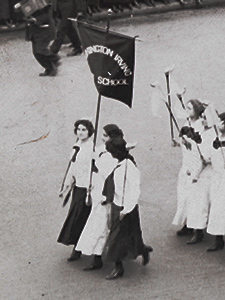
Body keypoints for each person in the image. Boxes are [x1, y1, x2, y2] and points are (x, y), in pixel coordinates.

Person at [102, 137, 153, 280]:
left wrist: (126, 209)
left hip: (126, 208)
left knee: (118, 237)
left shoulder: (129, 168)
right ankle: (142, 250)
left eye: (111, 152)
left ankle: (119, 268)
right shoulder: (118, 163)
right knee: (128, 235)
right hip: (117, 204)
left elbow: (135, 191)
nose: (110, 154)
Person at [76, 124, 124, 270]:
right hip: (98, 190)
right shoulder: (102, 149)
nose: (102, 138)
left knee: (102, 226)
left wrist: (97, 159)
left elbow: (109, 171)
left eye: (105, 135)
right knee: (98, 225)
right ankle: (97, 256)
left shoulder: (114, 152)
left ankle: (99, 257)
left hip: (106, 194)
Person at [57, 119, 94, 261]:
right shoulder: (76, 146)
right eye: (79, 129)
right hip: (78, 187)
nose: (81, 132)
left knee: (81, 217)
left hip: (87, 189)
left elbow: (94, 170)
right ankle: (77, 246)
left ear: (89, 131)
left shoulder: (91, 148)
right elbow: (72, 167)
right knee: (77, 216)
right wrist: (66, 186)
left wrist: (91, 188)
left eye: (84, 130)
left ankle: (78, 248)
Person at [172, 99, 205, 236]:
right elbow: (186, 144)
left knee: (194, 197)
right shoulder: (187, 123)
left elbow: (200, 147)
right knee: (183, 195)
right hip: (185, 164)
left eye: (190, 108)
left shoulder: (200, 126)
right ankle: (186, 223)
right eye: (186, 108)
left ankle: (197, 228)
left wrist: (188, 143)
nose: (187, 110)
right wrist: (179, 143)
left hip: (195, 164)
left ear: (197, 111)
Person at [185, 109, 214, 244]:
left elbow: (208, 157)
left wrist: (197, 173)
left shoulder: (214, 135)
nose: (204, 120)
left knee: (204, 202)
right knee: (198, 202)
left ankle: (203, 230)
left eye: (207, 118)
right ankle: (198, 230)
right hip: (199, 170)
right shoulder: (202, 132)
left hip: (208, 172)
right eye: (203, 117)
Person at [21, 3, 60, 76]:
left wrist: (35, 20)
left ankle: (55, 59)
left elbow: (47, 14)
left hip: (44, 29)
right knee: (36, 53)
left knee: (40, 49)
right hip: (35, 30)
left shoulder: (42, 3)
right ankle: (49, 68)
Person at [207, 112, 225, 251]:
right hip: (217, 179)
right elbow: (211, 156)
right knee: (217, 209)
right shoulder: (216, 138)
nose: (219, 124)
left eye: (222, 122)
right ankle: (218, 239)